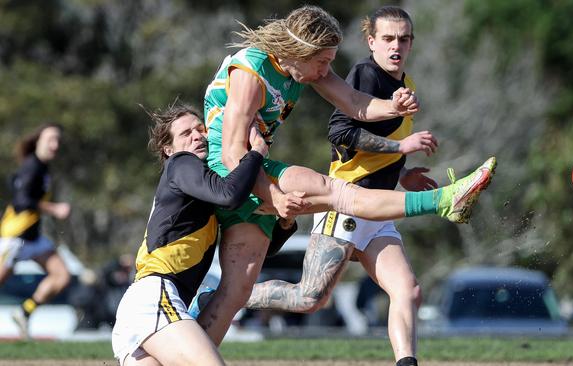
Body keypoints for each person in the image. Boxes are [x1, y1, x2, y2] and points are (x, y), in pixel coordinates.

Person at [196, 4, 497, 347]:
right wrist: (275, 196)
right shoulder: (252, 71)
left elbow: (354, 101)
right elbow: (230, 154)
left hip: (249, 172)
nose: (327, 70)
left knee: (235, 294)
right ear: (301, 51)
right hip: (231, 171)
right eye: (322, 61)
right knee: (336, 192)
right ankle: (444, 199)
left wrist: (392, 108)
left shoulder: (301, 65)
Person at [244, 7, 438, 366]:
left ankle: (407, 362)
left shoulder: (405, 86)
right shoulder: (366, 73)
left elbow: (381, 147)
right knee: (309, 298)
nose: (397, 46)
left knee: (408, 290)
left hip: (379, 210)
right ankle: (229, 294)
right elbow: (340, 132)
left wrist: (403, 171)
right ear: (371, 42)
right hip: (348, 202)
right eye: (388, 38)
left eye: (404, 38)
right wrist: (400, 147)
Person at [110, 103, 294, 366]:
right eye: (186, 133)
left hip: (144, 308)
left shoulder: (199, 197)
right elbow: (229, 195)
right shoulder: (180, 163)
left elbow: (254, 248)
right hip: (155, 297)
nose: (198, 135)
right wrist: (255, 154)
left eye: (200, 129)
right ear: (168, 150)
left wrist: (284, 224)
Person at [0, 123, 72, 339]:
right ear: (38, 141)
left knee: (62, 276)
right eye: (50, 139)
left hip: (33, 238)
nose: (55, 144)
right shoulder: (32, 166)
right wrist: (54, 208)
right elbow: (22, 201)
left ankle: (24, 312)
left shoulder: (42, 167)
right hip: (14, 236)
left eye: (57, 139)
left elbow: (16, 184)